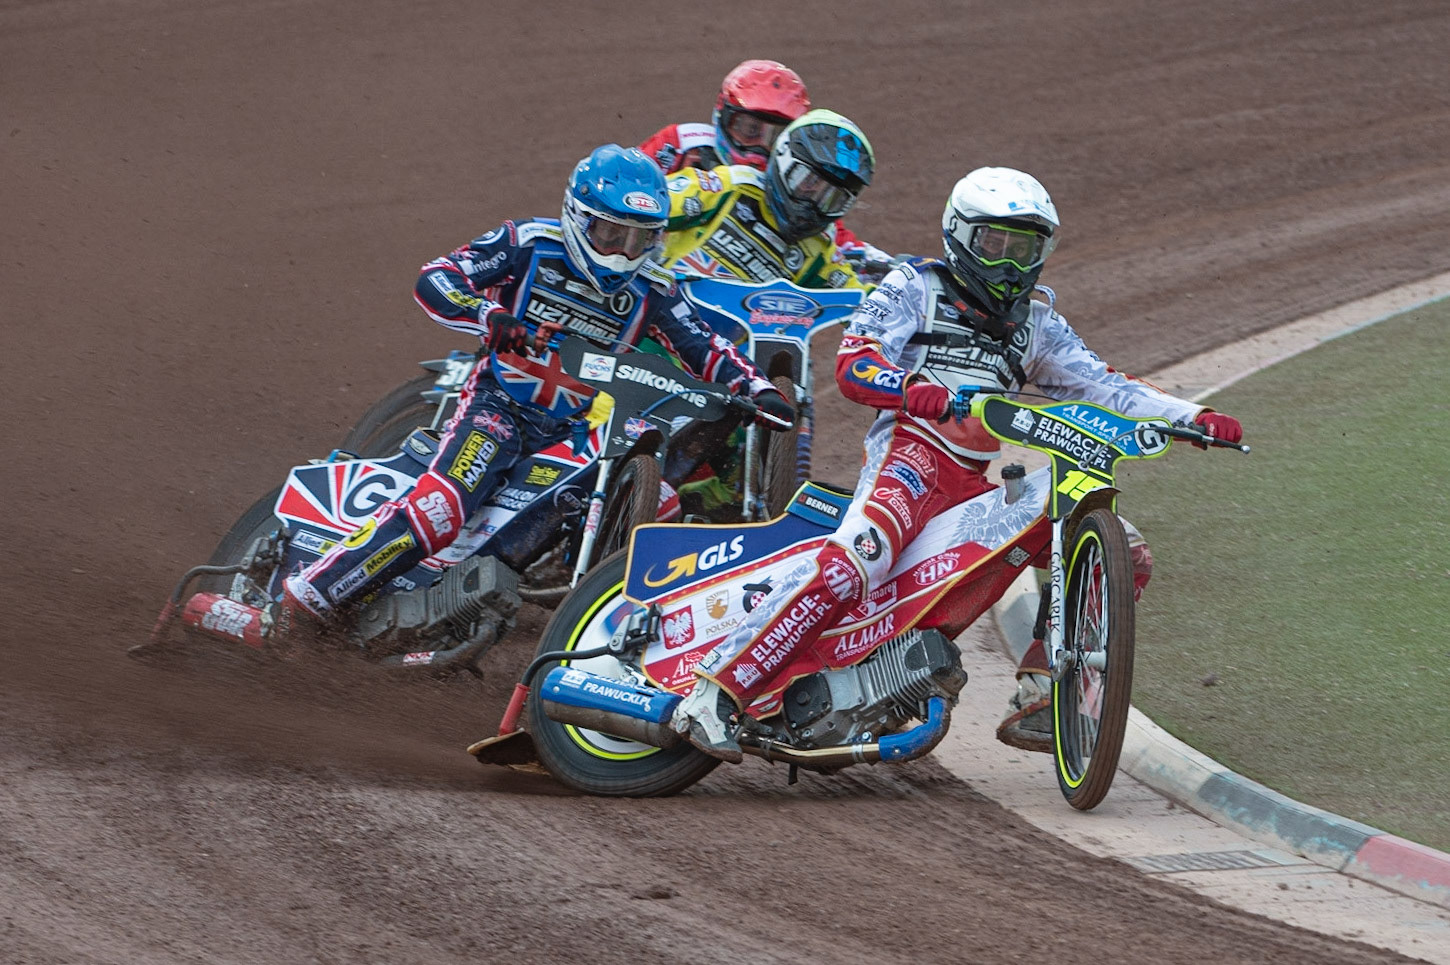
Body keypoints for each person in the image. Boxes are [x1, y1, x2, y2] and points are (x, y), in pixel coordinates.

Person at [669, 166, 1244, 761]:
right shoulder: (913, 285)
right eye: (996, 244)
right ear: (960, 235)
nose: (1011, 263)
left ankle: (1045, 693)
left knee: (1126, 549)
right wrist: (908, 387)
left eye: (1027, 248)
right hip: (910, 454)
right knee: (856, 561)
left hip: (972, 483)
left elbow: (1105, 386)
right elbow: (854, 363)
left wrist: (1192, 415)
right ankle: (714, 695)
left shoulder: (1039, 324)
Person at [219, 144, 795, 638]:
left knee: (663, 501)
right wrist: (486, 313)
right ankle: (301, 603)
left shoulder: (654, 289)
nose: (622, 251)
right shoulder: (528, 243)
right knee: (443, 508)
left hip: (573, 427)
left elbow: (705, 347)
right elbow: (438, 276)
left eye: (638, 238)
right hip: (498, 407)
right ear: (578, 216)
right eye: (610, 233)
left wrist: (758, 389)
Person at [640, 60, 887, 265]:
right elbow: (623, 183)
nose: (761, 147)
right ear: (723, 116)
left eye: (776, 136)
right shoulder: (681, 144)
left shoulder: (793, 184)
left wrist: (883, 263)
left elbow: (836, 238)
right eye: (750, 129)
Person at [661, 108, 875, 289]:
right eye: (808, 182)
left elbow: (861, 300)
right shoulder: (732, 186)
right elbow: (652, 202)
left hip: (726, 339)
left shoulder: (819, 252)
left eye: (832, 198)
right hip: (657, 315)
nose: (813, 200)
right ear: (783, 158)